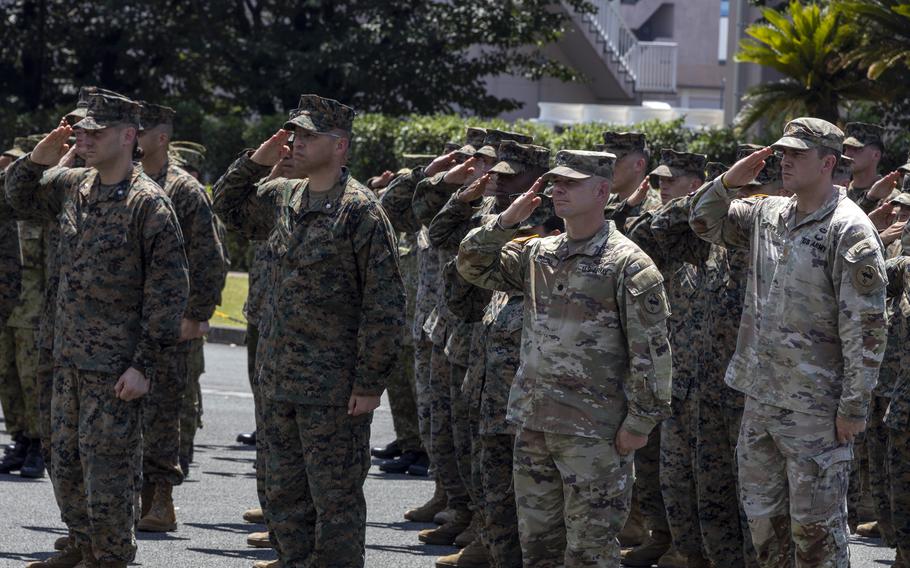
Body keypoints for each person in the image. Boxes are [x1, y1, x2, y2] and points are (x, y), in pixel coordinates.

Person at [212, 94, 405, 568]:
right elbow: (228, 205)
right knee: (282, 492)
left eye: (309, 136)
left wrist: (368, 382)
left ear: (340, 147)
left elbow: (385, 305)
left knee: (334, 499)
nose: (296, 142)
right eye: (294, 134)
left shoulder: (360, 211)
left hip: (332, 387)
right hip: (279, 377)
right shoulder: (284, 196)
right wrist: (259, 157)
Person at [457, 149, 672, 567]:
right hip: (535, 423)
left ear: (602, 191)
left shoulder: (628, 263)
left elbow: (653, 352)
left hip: (594, 433)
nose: (558, 189)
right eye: (556, 181)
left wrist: (640, 423)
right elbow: (471, 263)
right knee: (539, 550)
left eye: (571, 183)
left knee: (590, 552)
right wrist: (505, 222)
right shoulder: (540, 254)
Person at [690, 117, 888, 567]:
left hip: (816, 409)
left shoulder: (849, 230)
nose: (785, 161)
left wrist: (854, 407)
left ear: (828, 163)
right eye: (782, 152)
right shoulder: (769, 213)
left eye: (797, 154)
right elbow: (703, 221)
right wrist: (728, 179)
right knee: (766, 529)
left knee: (815, 536)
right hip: (761, 397)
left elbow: (866, 328)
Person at [6, 92, 189, 568]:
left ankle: (109, 556)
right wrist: (42, 153)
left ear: (129, 136)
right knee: (63, 460)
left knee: (107, 470)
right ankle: (82, 544)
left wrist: (143, 365)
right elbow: (18, 196)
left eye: (96, 131)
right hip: (64, 356)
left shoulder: (149, 204)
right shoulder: (74, 186)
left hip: (113, 367)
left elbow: (168, 292)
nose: (84, 138)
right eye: (80, 130)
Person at [135, 101, 227, 531]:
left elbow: (210, 257)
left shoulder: (183, 189)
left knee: (162, 414)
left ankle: (161, 500)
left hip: (169, 321)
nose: (132, 138)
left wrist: (196, 314)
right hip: (121, 321)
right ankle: (125, 504)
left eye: (141, 131)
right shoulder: (120, 182)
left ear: (162, 138)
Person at [623, 148, 710, 568]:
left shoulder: (712, 235)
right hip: (662, 367)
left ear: (695, 186)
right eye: (657, 180)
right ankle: (663, 533)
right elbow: (639, 236)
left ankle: (690, 545)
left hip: (700, 377)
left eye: (668, 181)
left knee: (690, 468)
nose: (659, 188)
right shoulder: (666, 234)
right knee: (655, 461)